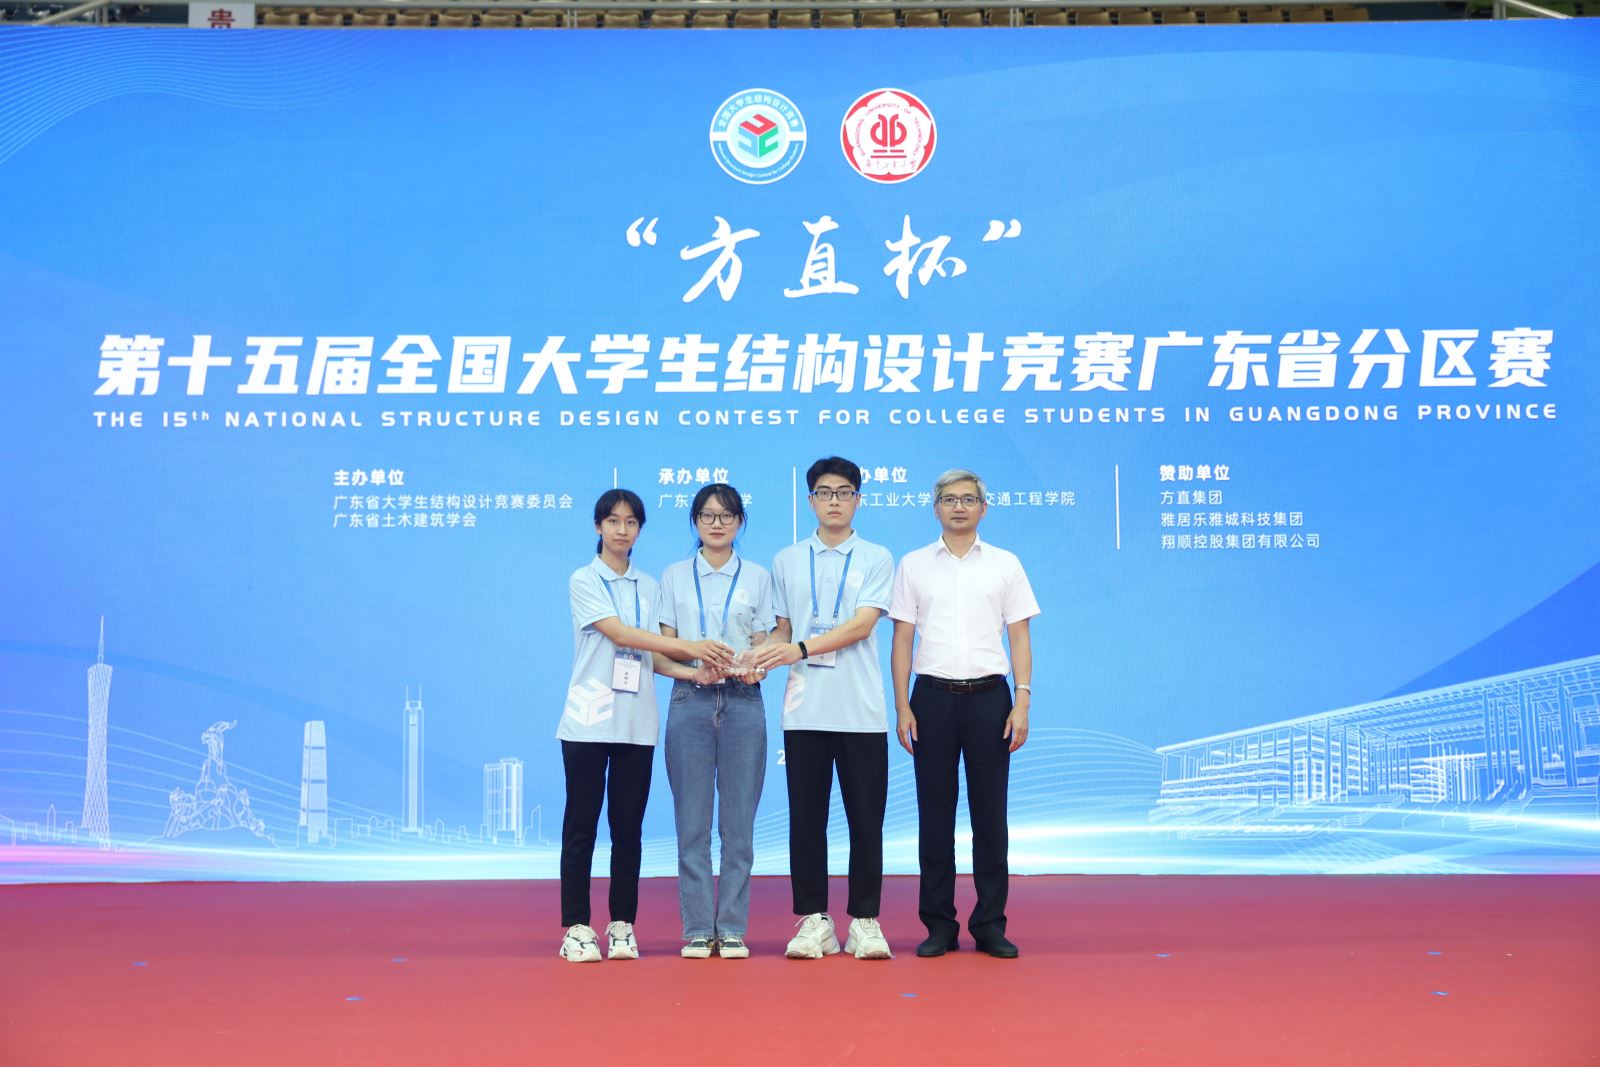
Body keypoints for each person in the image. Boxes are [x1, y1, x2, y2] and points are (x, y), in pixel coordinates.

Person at [558, 488, 733, 964]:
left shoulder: (649, 586)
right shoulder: (584, 579)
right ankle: (576, 927)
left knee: (628, 829)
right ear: (598, 527)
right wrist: (692, 647)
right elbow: (618, 633)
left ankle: (622, 925)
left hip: (637, 723)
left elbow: (652, 656)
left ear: (639, 529)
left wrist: (694, 673)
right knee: (581, 827)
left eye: (631, 522)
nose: (622, 530)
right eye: (613, 521)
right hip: (588, 721)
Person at [889, 469, 1039, 960]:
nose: (959, 507)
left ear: (983, 508)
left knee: (990, 818)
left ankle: (990, 924)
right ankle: (939, 925)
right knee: (935, 817)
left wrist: (1022, 700)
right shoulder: (914, 565)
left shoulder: (1005, 564)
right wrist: (902, 704)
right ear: (935, 508)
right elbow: (902, 639)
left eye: (968, 499)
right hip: (931, 699)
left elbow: (1019, 636)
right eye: (950, 499)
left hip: (990, 699)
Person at [755, 457, 896, 960]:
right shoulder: (788, 559)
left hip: (861, 711)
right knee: (806, 820)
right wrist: (755, 657)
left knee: (866, 821)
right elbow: (782, 631)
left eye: (843, 492)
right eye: (824, 492)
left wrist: (798, 649)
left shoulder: (877, 557)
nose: (834, 501)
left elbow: (862, 625)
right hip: (804, 710)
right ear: (810, 499)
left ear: (858, 499)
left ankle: (865, 920)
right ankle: (814, 920)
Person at [653, 484, 775, 960]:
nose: (717, 523)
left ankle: (733, 928)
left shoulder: (758, 576)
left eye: (727, 516)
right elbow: (662, 649)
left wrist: (756, 664)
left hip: (743, 700)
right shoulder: (674, 576)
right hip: (691, 700)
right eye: (707, 515)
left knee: (739, 823)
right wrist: (694, 668)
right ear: (695, 522)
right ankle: (700, 929)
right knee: (693, 823)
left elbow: (765, 641)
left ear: (740, 522)